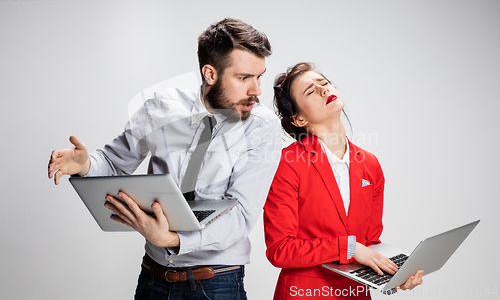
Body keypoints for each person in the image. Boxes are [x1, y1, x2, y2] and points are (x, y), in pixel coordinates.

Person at [47, 18, 282, 300]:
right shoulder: (161, 107)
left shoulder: (261, 126)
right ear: (210, 74)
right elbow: (112, 162)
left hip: (217, 282)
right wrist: (86, 165)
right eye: (244, 78)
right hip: (154, 277)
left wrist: (173, 240)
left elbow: (242, 215)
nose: (256, 90)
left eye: (260, 77)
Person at [263, 63, 423, 299]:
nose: (323, 90)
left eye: (324, 83)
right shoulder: (290, 163)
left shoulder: (370, 164)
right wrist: (348, 248)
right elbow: (280, 250)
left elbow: (369, 242)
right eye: (310, 91)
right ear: (298, 119)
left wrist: (395, 276)